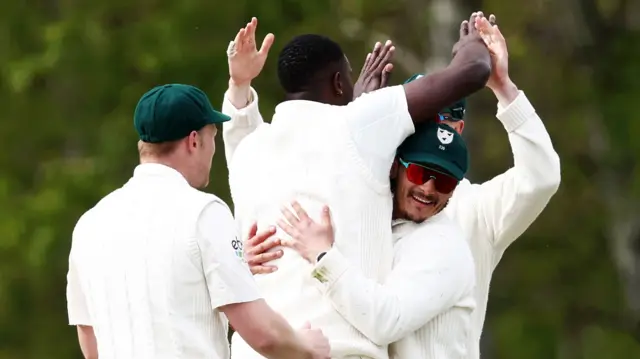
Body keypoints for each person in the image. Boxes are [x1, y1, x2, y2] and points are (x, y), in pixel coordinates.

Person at [244, 14, 562, 359]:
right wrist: (242, 259)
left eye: (444, 120)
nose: (431, 133)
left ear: (460, 126)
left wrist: (504, 88)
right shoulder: (367, 192)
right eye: (421, 120)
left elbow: (541, 177)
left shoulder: (473, 209)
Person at [65, 84, 331, 359]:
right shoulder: (203, 212)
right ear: (194, 141)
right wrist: (307, 348)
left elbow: (91, 339)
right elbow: (264, 335)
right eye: (212, 136)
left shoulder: (89, 224)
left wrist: (232, 269)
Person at [275, 121, 477, 359]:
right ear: (395, 167)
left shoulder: (444, 245)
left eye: (445, 181)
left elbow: (386, 322)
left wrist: (322, 257)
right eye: (418, 172)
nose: (428, 189)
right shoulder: (373, 222)